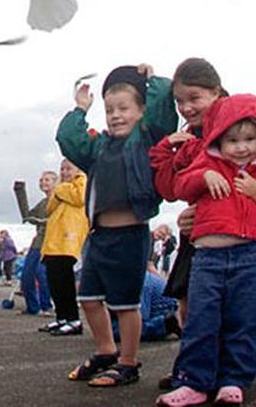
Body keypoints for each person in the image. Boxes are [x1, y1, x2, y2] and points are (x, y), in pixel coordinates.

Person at [156, 94, 256, 406]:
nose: (242, 147)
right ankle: (194, 382)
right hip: (208, 257)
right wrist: (205, 175)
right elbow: (180, 185)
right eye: (233, 140)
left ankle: (233, 380)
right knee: (201, 320)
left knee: (243, 321)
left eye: (250, 139)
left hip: (251, 254)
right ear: (218, 140)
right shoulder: (207, 160)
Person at [57, 64, 177, 388]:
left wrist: (151, 80)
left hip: (131, 234)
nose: (115, 115)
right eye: (110, 110)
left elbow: (165, 107)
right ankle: (106, 349)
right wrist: (80, 109)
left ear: (141, 111)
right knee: (90, 298)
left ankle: (128, 361)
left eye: (124, 108)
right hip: (99, 236)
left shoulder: (147, 139)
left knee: (126, 304)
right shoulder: (99, 146)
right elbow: (68, 140)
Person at [149, 58, 227, 329]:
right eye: (179, 101)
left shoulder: (237, 129)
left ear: (216, 92)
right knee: (185, 300)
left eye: (194, 98)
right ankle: (193, 364)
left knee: (218, 307)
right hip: (193, 231)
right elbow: (169, 190)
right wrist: (165, 149)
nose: (186, 108)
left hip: (227, 229)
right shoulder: (186, 137)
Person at [40, 159, 89, 336]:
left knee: (65, 281)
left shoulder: (82, 181)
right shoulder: (64, 188)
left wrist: (60, 189)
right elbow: (50, 207)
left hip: (69, 239)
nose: (65, 172)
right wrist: (60, 191)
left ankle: (73, 319)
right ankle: (61, 317)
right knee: (54, 281)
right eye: (62, 169)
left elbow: (80, 198)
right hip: (54, 241)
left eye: (69, 168)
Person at [17, 171, 58, 317]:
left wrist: (40, 221)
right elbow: (28, 216)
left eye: (47, 180)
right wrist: (20, 192)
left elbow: (57, 221)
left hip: (51, 242)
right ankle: (32, 307)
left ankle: (46, 306)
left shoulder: (59, 200)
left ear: (55, 182)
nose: (43, 183)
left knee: (42, 274)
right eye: (41, 180)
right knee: (26, 276)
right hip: (37, 243)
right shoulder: (42, 202)